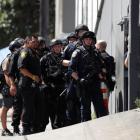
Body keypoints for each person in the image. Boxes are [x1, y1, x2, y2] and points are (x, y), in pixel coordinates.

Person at [69, 31, 108, 122]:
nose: (89, 41)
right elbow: (71, 70)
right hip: (84, 84)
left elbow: (101, 67)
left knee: (101, 108)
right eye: (86, 39)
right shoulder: (77, 52)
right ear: (83, 40)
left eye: (90, 39)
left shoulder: (96, 52)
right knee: (86, 110)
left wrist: (101, 75)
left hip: (95, 83)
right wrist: (80, 80)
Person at [17, 35, 41, 135]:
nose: (36, 43)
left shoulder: (34, 53)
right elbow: (21, 68)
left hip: (34, 85)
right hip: (26, 84)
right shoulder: (24, 51)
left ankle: (32, 126)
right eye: (33, 42)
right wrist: (32, 77)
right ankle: (25, 128)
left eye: (36, 42)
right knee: (28, 106)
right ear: (27, 42)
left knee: (33, 106)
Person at [40, 39, 66, 129]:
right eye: (56, 46)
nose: (58, 48)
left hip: (62, 87)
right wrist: (45, 84)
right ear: (52, 48)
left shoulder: (64, 57)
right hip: (49, 88)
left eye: (59, 46)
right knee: (49, 110)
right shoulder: (45, 58)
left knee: (61, 110)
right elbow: (40, 73)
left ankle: (57, 127)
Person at [0, 39, 22, 136]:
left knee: (16, 107)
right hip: (7, 86)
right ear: (14, 48)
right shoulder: (7, 59)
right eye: (19, 47)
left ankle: (16, 128)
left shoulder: (17, 58)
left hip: (14, 86)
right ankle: (4, 129)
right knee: (6, 107)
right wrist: (12, 86)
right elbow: (7, 75)